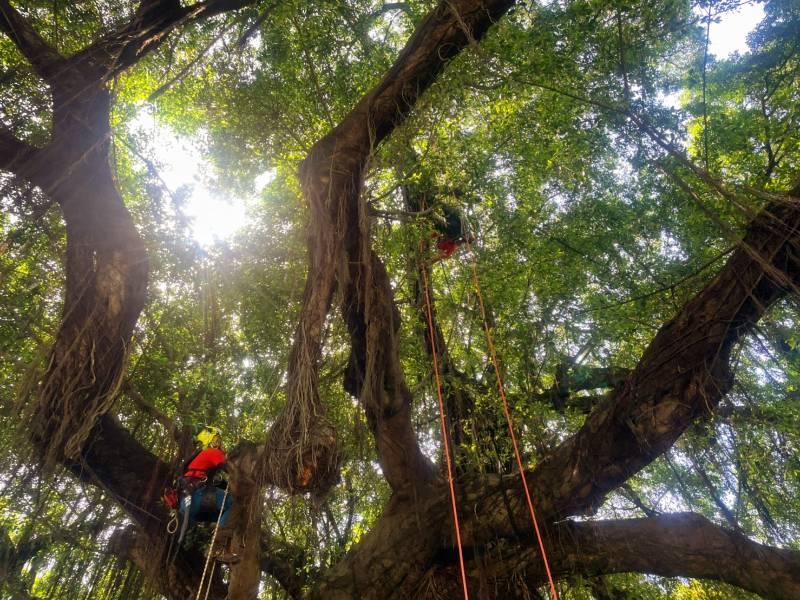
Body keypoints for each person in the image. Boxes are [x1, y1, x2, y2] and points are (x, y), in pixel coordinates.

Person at [176, 426, 239, 563]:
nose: (220, 443)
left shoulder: (198, 459)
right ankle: (217, 548)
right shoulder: (212, 452)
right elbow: (231, 468)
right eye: (218, 439)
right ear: (212, 441)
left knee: (227, 517)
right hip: (198, 497)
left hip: (187, 505)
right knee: (233, 505)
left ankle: (220, 543)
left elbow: (218, 481)